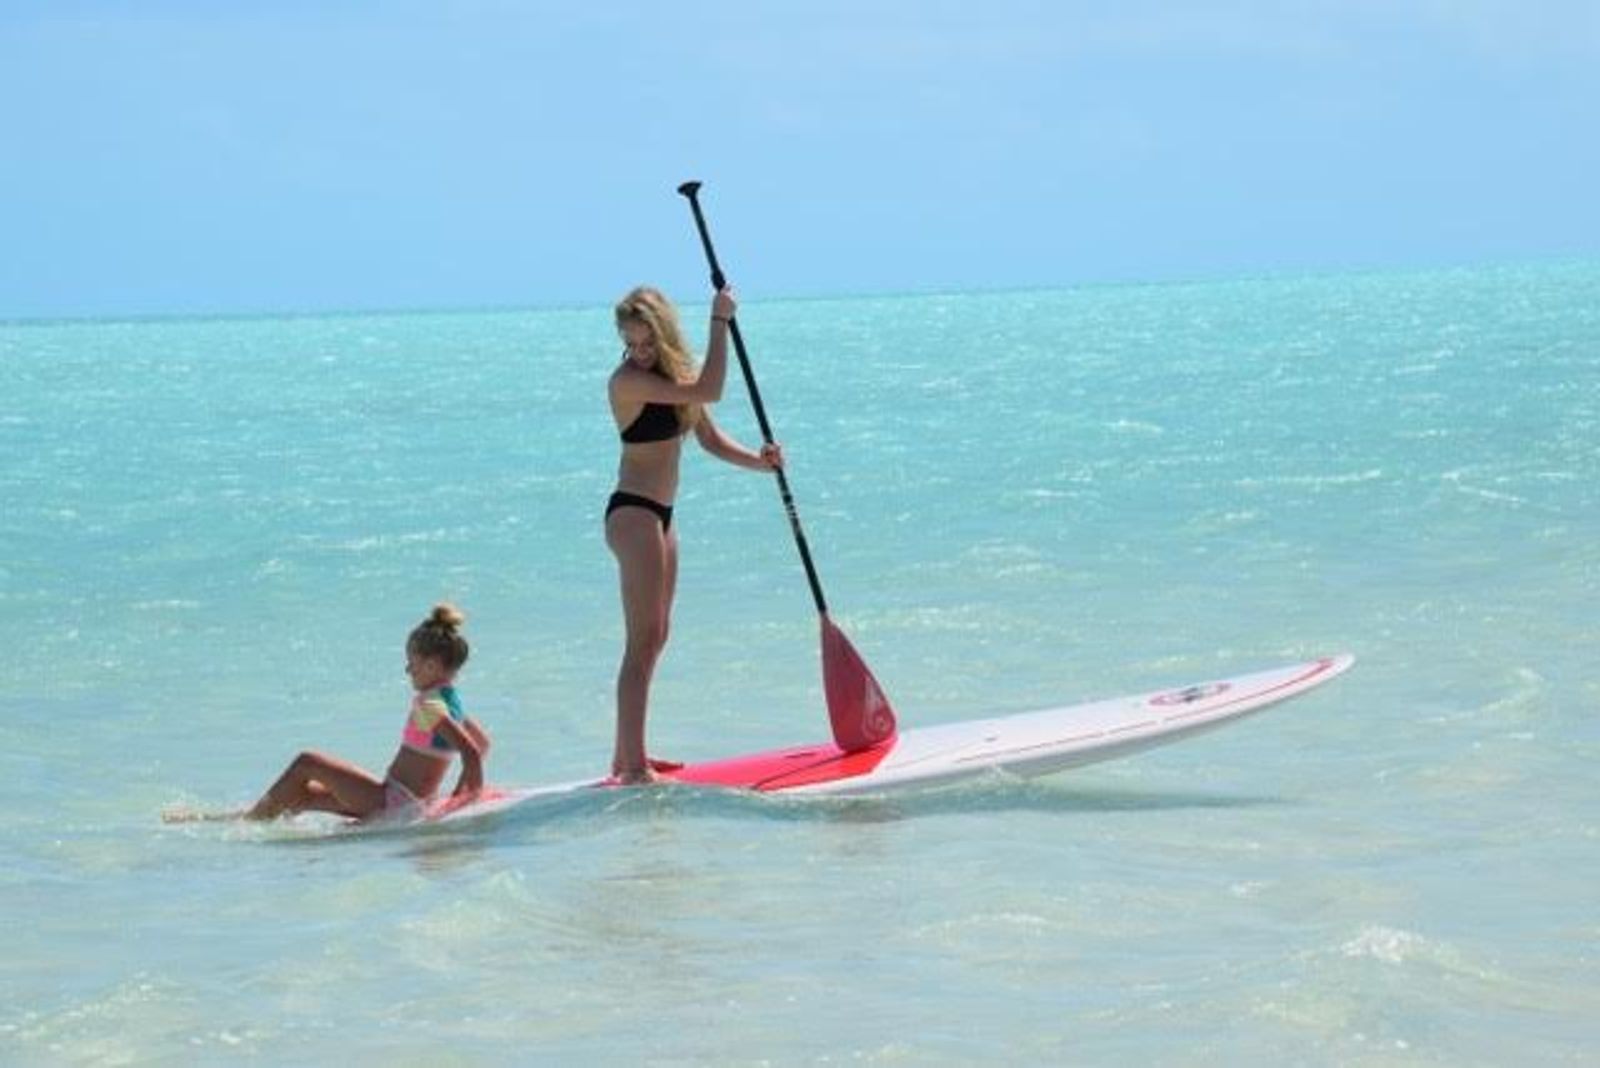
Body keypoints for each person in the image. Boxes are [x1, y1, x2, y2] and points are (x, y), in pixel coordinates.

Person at [606, 285, 783, 784]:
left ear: (662, 334)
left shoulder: (677, 376)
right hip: (633, 514)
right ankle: (633, 768)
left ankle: (627, 756)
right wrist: (720, 322)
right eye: (630, 343)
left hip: (663, 515)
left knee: (657, 637)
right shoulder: (626, 382)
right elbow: (711, 389)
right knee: (640, 641)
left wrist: (760, 462)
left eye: (646, 343)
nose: (639, 353)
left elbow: (708, 437)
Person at [164, 604, 490, 822]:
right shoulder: (451, 701)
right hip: (399, 800)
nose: (408, 670)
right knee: (302, 796)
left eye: (413, 663)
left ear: (432, 665)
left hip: (393, 802)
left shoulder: (428, 705)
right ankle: (222, 819)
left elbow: (472, 754)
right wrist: (455, 798)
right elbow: (482, 744)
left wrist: (464, 801)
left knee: (308, 761)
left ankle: (246, 824)